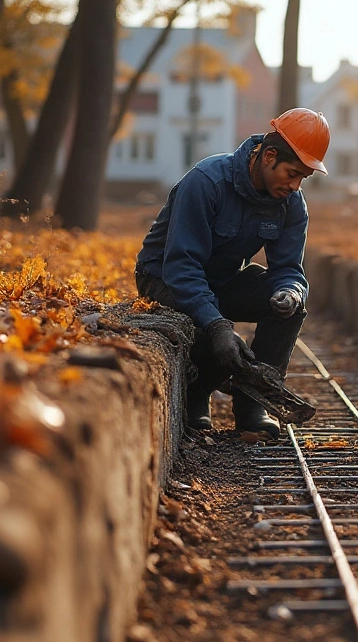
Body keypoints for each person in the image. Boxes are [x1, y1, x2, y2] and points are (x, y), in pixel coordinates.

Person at [133, 108, 330, 437]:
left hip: (220, 281)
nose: (295, 185)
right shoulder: (207, 182)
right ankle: (197, 395)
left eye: (303, 179)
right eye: (292, 173)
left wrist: (291, 291)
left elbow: (289, 269)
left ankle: (251, 403)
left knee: (290, 307)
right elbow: (182, 266)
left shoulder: (291, 204)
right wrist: (217, 324)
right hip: (164, 278)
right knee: (206, 332)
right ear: (268, 156)